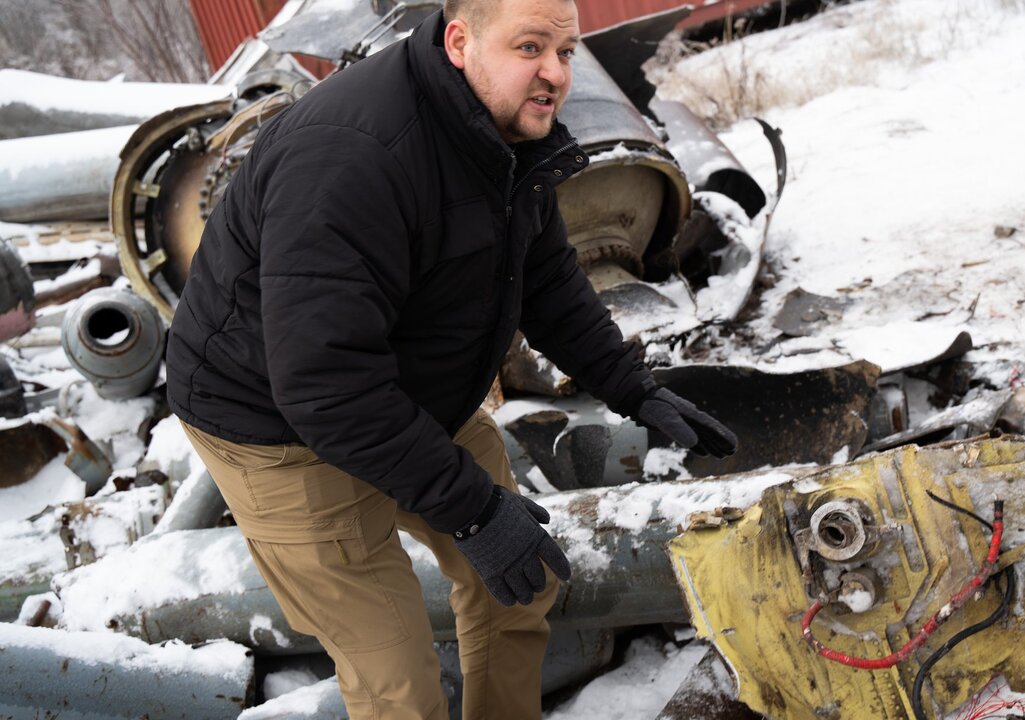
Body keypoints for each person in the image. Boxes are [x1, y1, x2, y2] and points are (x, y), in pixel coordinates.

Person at [164, 0, 738, 718]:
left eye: (565, 52)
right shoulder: (353, 157)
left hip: (402, 391)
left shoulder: (504, 126)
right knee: (396, 680)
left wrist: (633, 388)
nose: (555, 74)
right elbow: (324, 385)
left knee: (520, 584)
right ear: (460, 42)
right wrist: (472, 512)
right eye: (530, 47)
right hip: (276, 427)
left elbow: (543, 275)